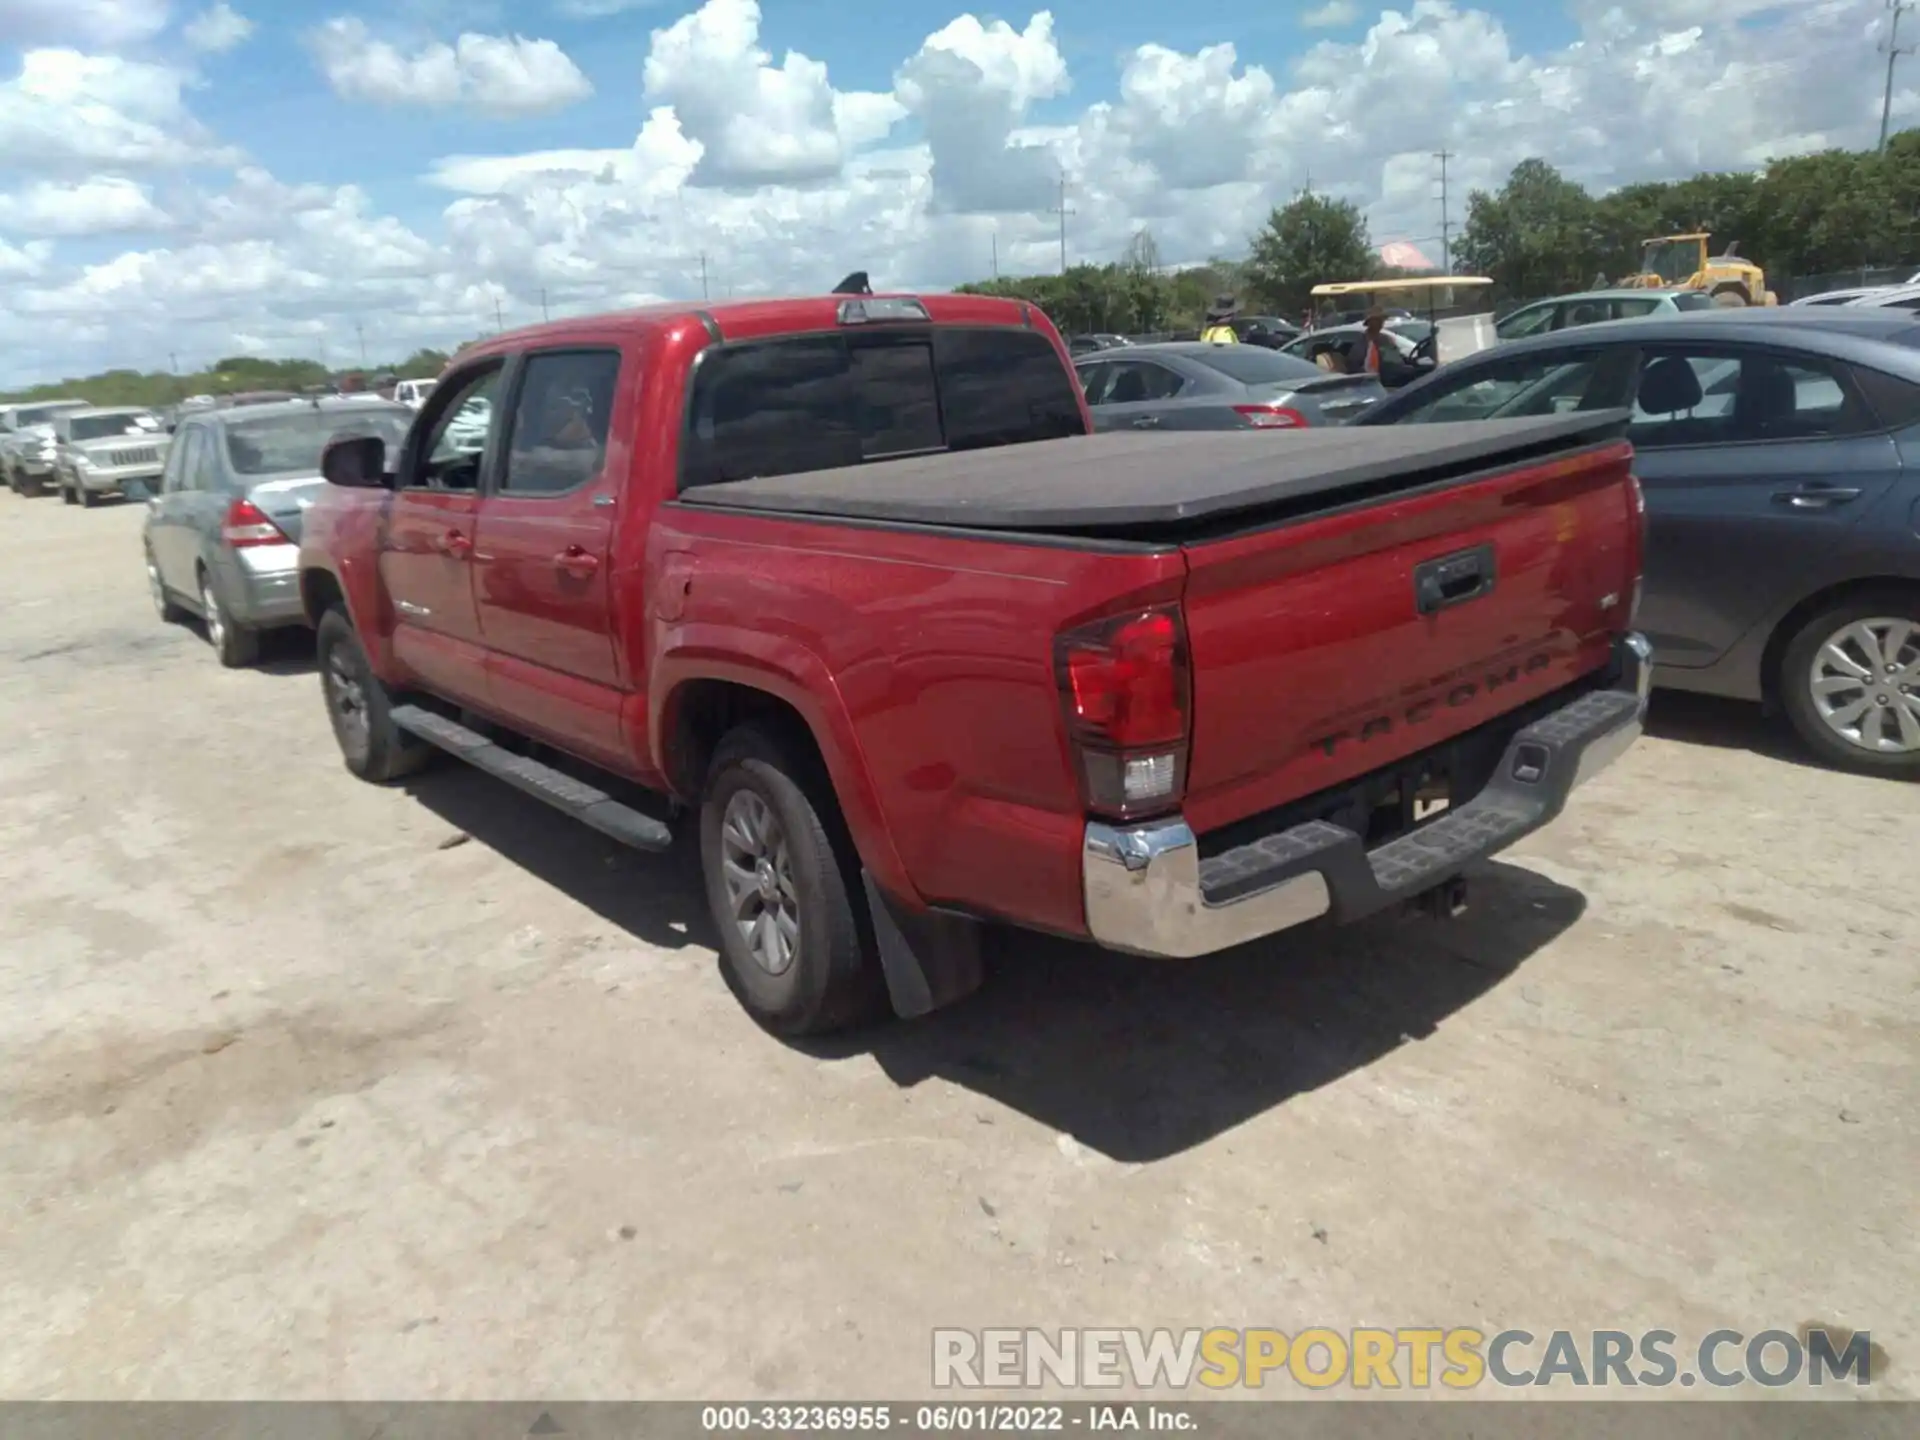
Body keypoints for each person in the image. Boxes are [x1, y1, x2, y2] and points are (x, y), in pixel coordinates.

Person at [1357, 309, 1388, 375]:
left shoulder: (1385, 339)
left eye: (1381, 320)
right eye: (1378, 320)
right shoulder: (1361, 342)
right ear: (1369, 323)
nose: (1381, 323)